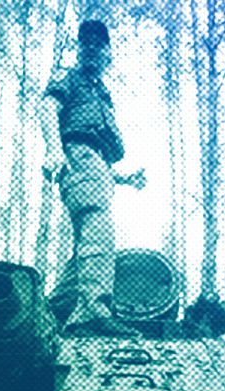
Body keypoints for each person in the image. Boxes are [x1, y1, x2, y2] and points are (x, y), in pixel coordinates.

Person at [39, 20, 146, 337]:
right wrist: (53, 151)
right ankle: (90, 315)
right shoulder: (69, 78)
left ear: (108, 54)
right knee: (99, 230)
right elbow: (47, 107)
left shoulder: (101, 93)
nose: (91, 47)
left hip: (96, 164)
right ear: (78, 49)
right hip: (78, 157)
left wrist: (124, 178)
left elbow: (97, 150)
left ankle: (52, 311)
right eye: (85, 42)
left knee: (89, 243)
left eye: (99, 44)